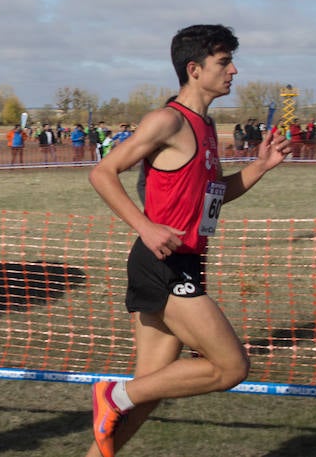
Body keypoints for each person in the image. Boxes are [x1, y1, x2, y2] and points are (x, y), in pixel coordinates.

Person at [85, 25, 292, 457]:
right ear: (195, 69)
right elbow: (102, 172)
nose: (234, 71)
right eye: (223, 62)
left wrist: (261, 166)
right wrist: (144, 224)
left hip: (186, 261)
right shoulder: (168, 120)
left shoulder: (205, 125)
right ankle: (112, 394)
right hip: (161, 262)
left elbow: (215, 195)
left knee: (147, 393)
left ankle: (114, 411)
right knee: (231, 366)